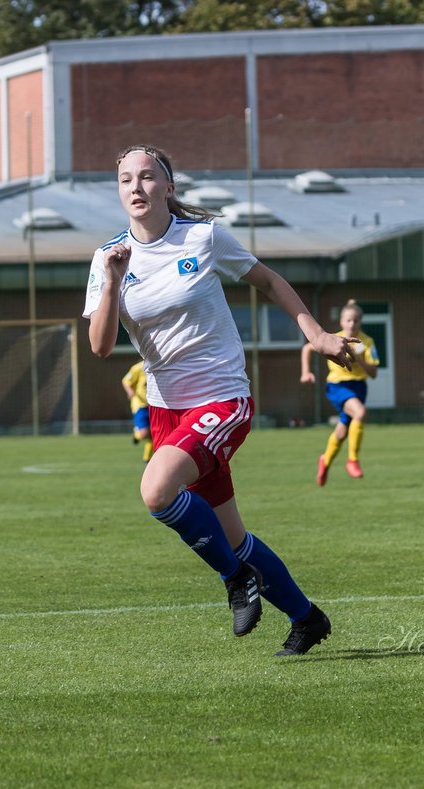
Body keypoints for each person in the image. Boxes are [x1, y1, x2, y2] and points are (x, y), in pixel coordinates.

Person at [84, 143, 356, 656]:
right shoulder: (108, 259)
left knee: (156, 491)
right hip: (167, 409)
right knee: (233, 535)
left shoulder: (203, 238)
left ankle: (236, 581)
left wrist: (317, 337)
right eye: (125, 180)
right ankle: (307, 618)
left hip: (222, 398)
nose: (136, 187)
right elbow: (99, 346)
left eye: (147, 177)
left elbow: (271, 281)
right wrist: (114, 282)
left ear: (169, 187)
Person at [301, 299, 379, 483]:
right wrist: (306, 372)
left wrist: (359, 359)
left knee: (342, 432)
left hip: (359, 388)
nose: (352, 324)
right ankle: (352, 460)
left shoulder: (367, 342)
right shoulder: (333, 338)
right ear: (342, 322)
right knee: (360, 412)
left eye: (356, 321)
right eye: (349, 320)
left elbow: (374, 372)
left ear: (361, 322)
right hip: (338, 386)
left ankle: (325, 461)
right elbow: (307, 348)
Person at [121, 360, 154, 462]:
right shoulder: (138, 367)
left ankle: (147, 459)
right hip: (140, 405)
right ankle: (137, 434)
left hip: (154, 405)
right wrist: (130, 391)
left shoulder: (158, 366)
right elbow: (126, 380)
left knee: (153, 433)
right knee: (145, 434)